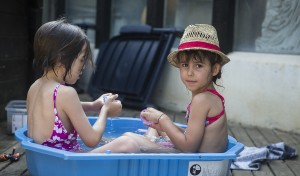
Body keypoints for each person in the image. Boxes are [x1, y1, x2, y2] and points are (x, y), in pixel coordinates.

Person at [27, 18, 140, 153]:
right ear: (61, 59)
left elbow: (57, 109)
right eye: (81, 60)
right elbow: (91, 140)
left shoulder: (35, 87)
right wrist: (105, 111)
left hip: (43, 161)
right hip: (69, 166)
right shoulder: (66, 93)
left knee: (126, 139)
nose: (83, 66)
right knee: (126, 143)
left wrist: (94, 105)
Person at [124, 24, 230, 153]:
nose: (190, 72)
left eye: (198, 66)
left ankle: (93, 156)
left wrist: (162, 119)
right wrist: (164, 126)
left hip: (196, 166)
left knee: (128, 140)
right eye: (185, 65)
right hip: (198, 158)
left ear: (214, 69)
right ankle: (146, 147)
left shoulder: (202, 100)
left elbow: (189, 148)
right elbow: (192, 136)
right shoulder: (208, 96)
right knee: (156, 129)